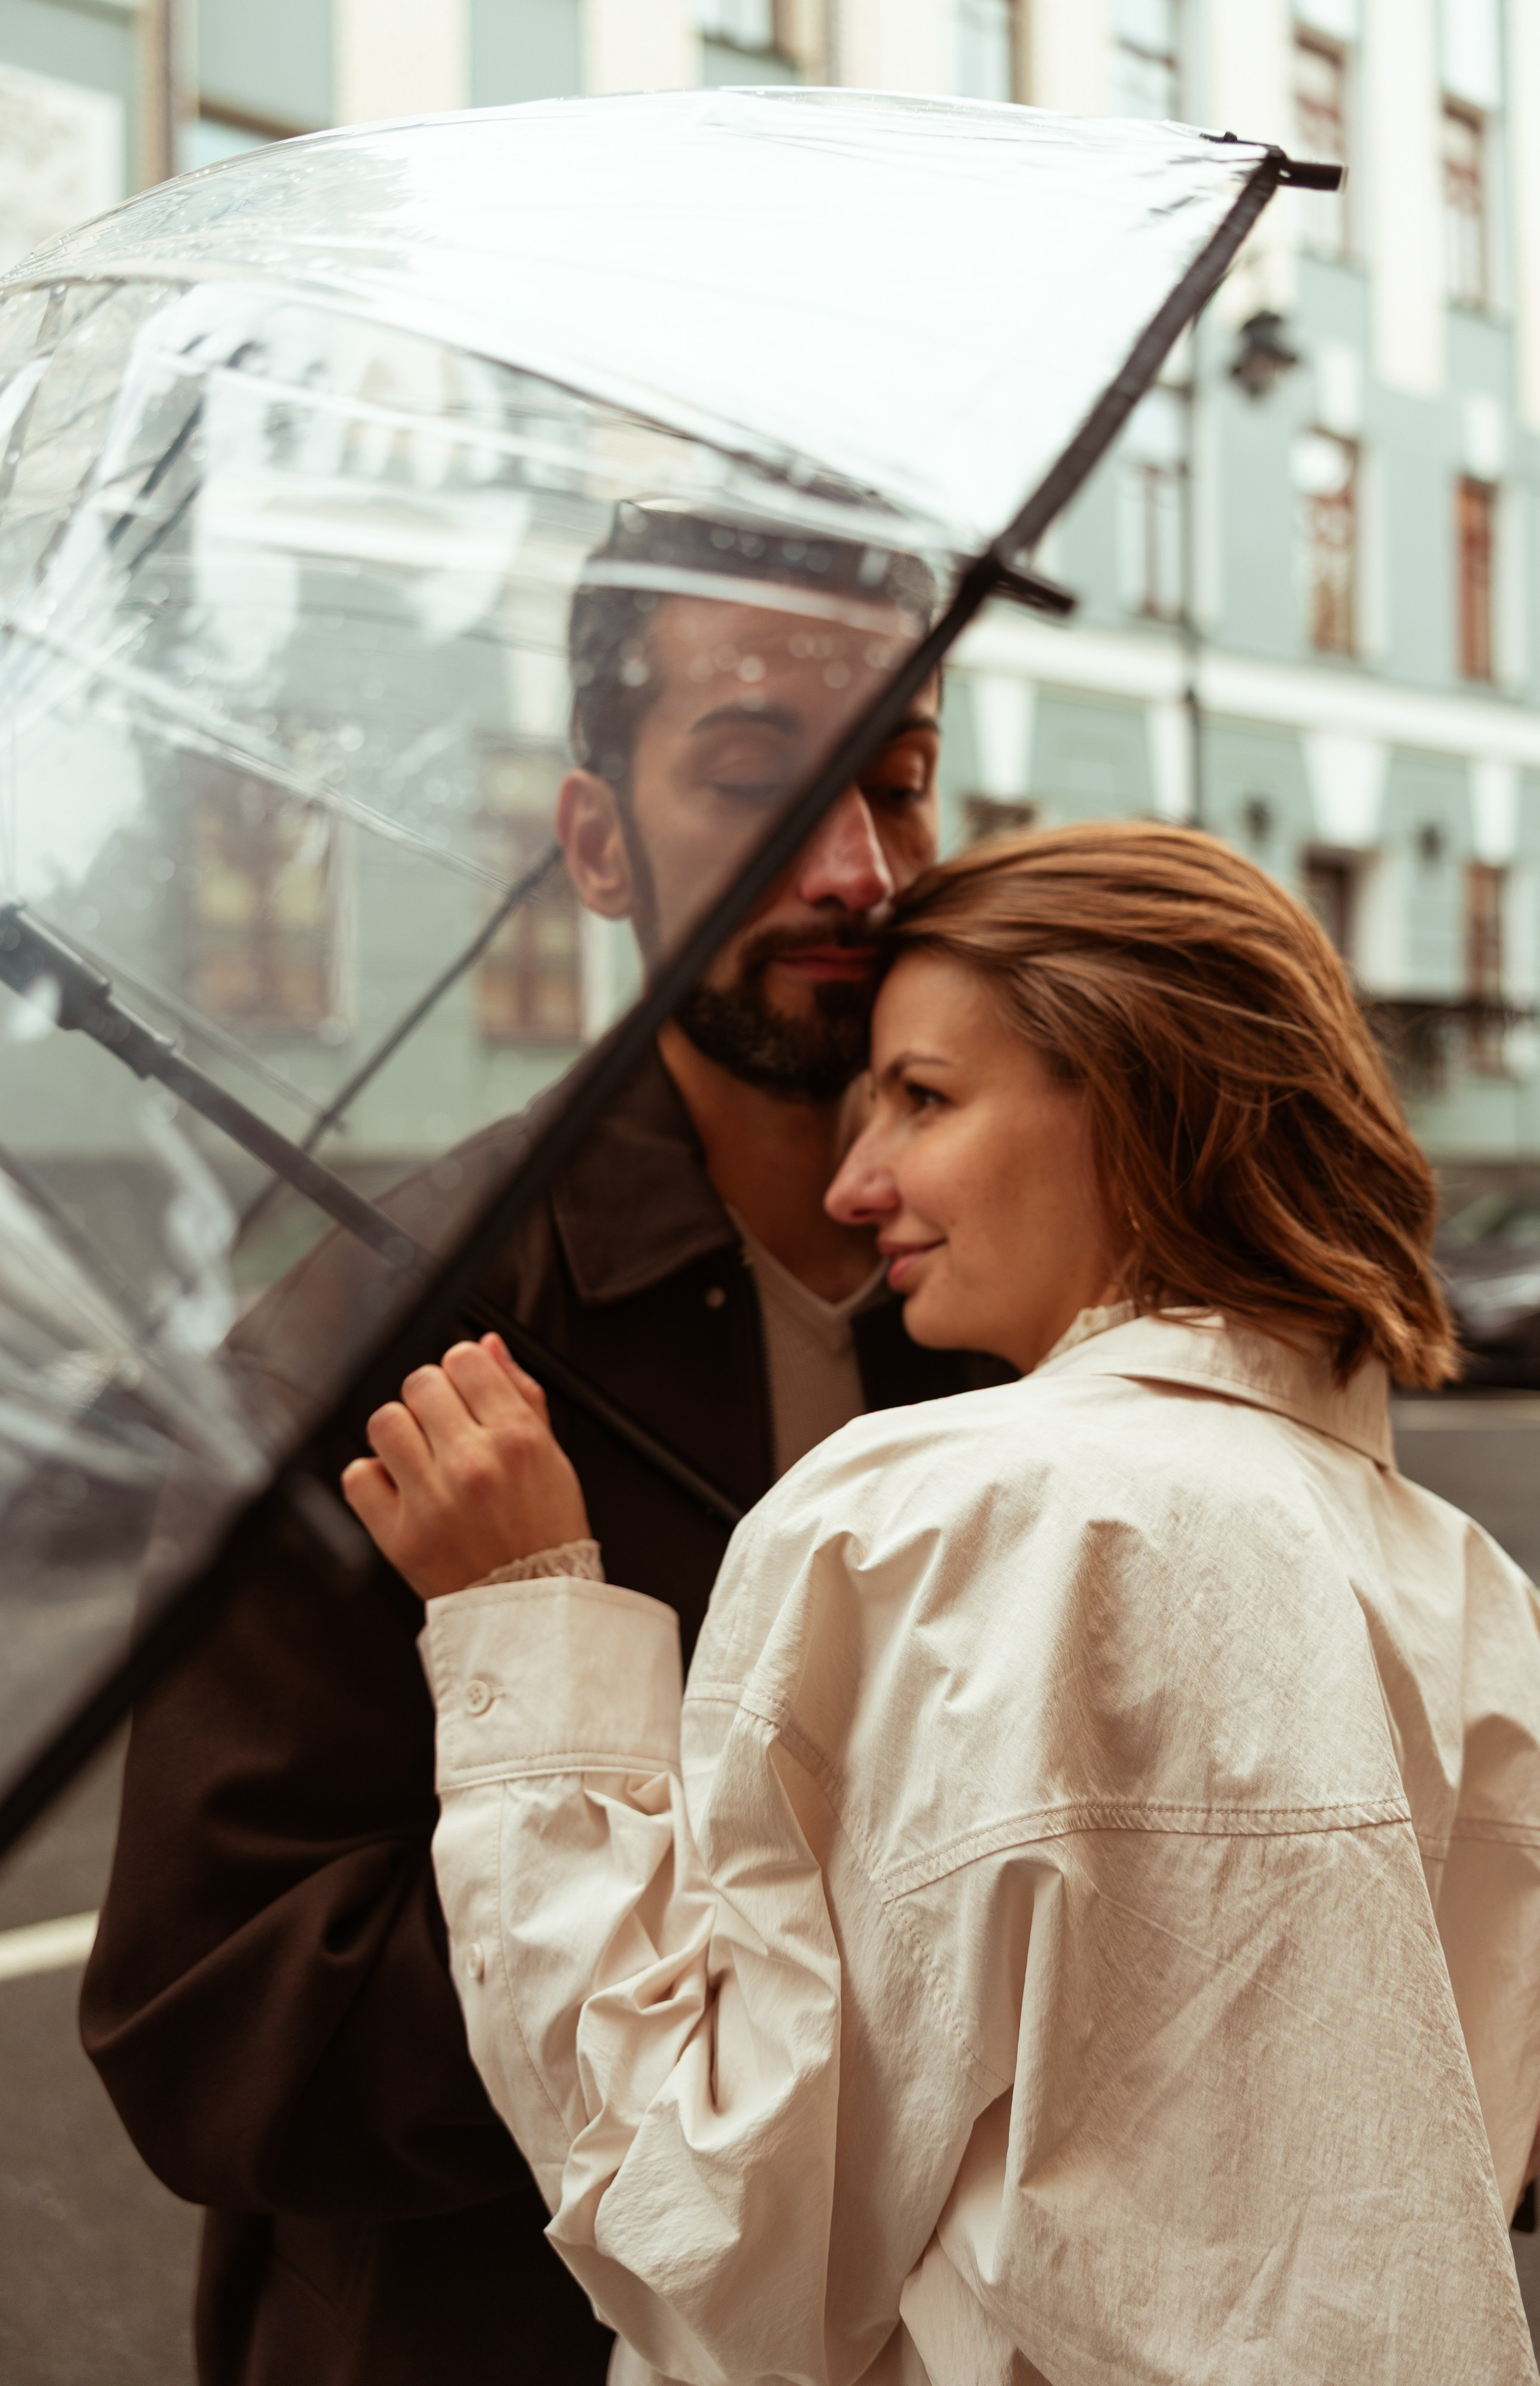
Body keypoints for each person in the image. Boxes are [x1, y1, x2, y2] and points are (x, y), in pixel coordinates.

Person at [353, 822, 1540, 2383]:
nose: (857, 1185)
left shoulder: (928, 1515)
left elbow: (716, 2251)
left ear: (1131, 1090)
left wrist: (521, 1612)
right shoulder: (1463, 1592)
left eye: (920, 1097)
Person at [81, 509, 1004, 2386]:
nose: (859, 868)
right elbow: (215, 2026)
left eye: (902, 787)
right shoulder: (376, 1354)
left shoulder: (1037, 1320)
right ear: (596, 843)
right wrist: (750, 1892)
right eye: (764, 773)